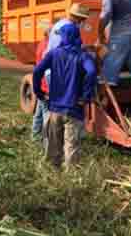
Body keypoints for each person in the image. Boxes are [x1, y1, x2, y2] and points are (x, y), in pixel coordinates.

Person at [32, 23, 97, 168]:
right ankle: (70, 178)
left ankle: (54, 171)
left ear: (64, 37)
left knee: (54, 144)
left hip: (55, 108)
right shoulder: (82, 56)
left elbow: (37, 71)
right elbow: (92, 72)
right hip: (74, 108)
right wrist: (85, 96)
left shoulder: (54, 53)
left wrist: (38, 92)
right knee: (71, 146)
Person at [31, 28, 50, 140]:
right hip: (45, 86)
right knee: (47, 114)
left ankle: (35, 135)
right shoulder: (48, 47)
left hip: (41, 83)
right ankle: (46, 141)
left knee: (38, 112)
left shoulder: (42, 43)